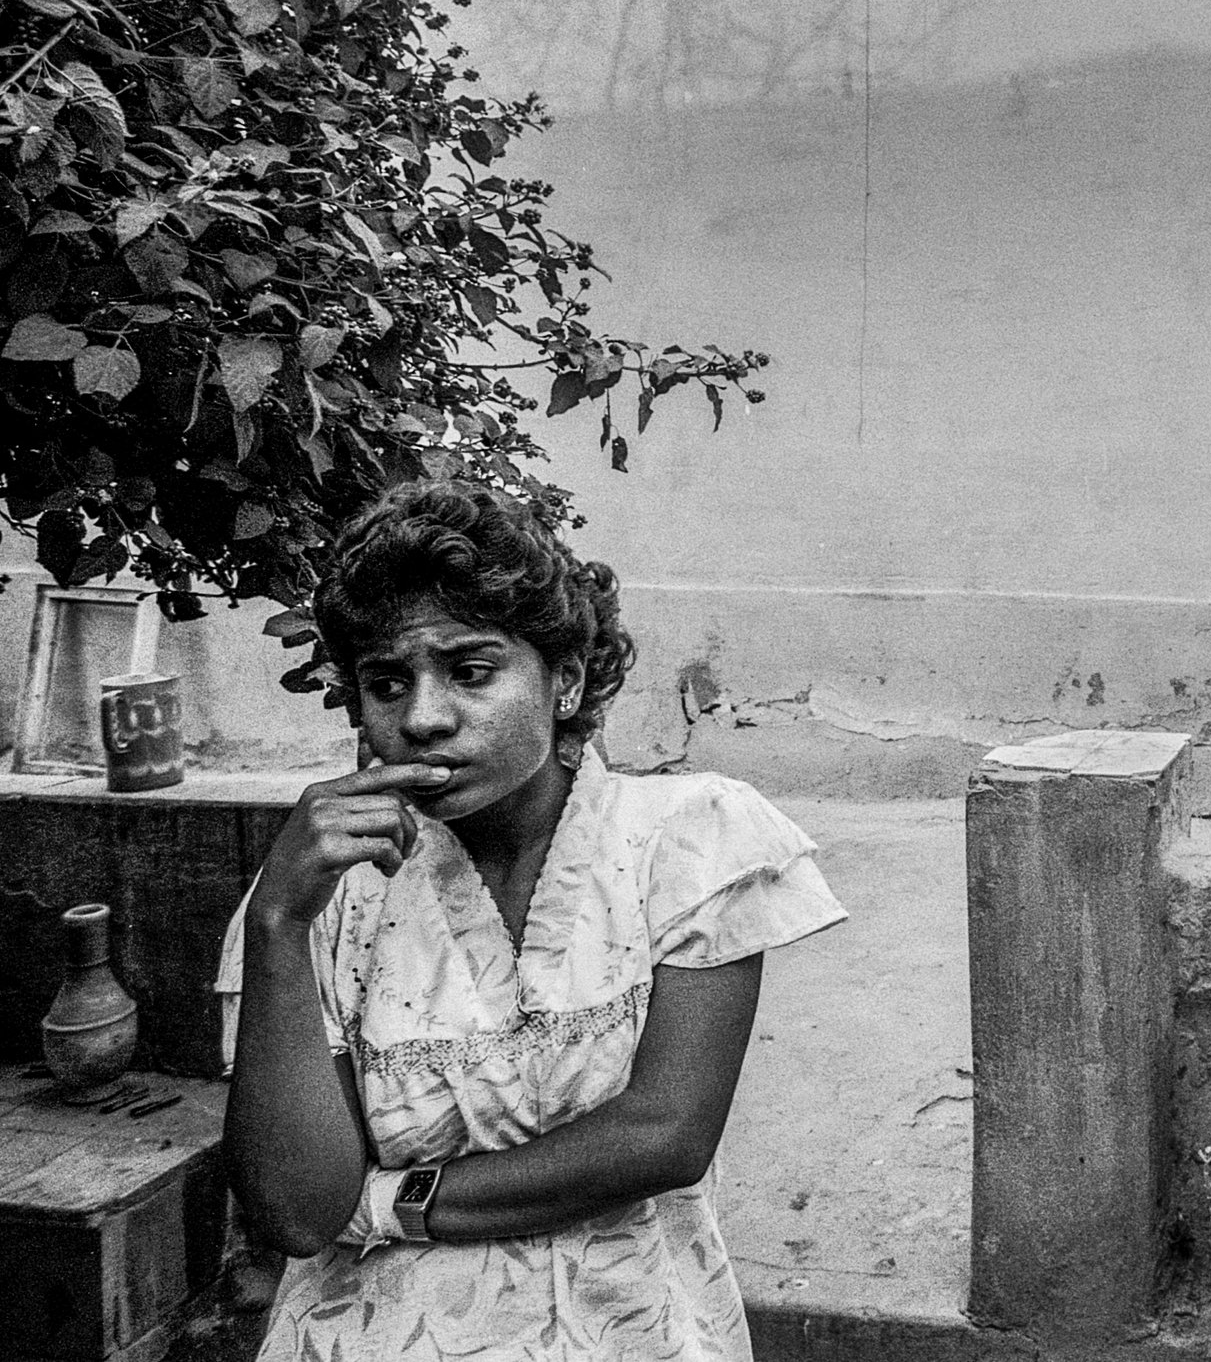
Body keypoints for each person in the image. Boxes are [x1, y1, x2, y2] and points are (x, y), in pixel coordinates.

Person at [216, 481, 845, 1360]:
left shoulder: (688, 840)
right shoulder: (328, 894)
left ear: (566, 681)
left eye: (471, 671)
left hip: (639, 1329)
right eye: (387, 683)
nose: (424, 719)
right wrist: (278, 923)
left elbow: (664, 1134)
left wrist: (390, 1202)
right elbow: (296, 1210)